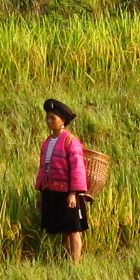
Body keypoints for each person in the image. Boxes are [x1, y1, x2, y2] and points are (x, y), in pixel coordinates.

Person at [35, 97, 90, 262]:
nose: (49, 121)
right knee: (64, 229)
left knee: (74, 229)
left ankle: (76, 264)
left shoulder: (70, 141)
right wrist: (41, 193)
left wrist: (73, 193)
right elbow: (42, 169)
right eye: (47, 117)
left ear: (63, 120)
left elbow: (77, 169)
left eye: (53, 117)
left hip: (68, 193)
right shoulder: (47, 142)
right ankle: (67, 260)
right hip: (52, 191)